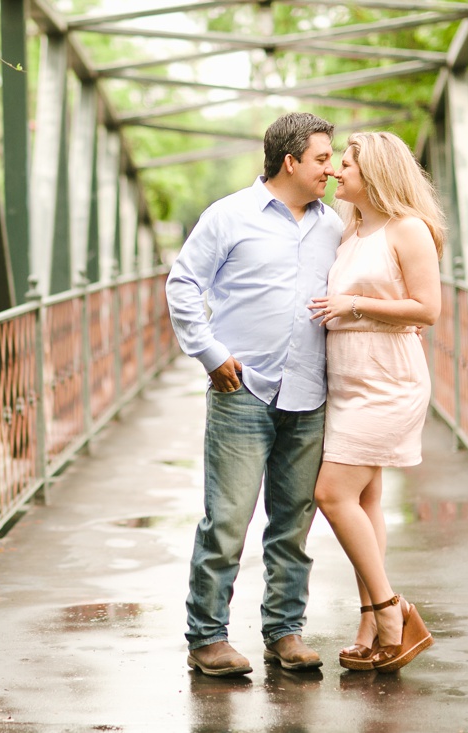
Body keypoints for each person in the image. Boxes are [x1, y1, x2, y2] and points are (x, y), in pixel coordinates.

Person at [166, 112, 342, 677]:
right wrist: (210, 354)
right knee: (227, 522)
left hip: (309, 391)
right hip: (243, 389)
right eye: (321, 159)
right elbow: (184, 283)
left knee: (293, 523)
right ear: (290, 161)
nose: (332, 169)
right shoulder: (228, 216)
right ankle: (206, 638)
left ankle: (284, 632)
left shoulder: (333, 226)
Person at [307, 131, 444, 673]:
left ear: (378, 173)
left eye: (347, 164)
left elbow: (427, 309)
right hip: (348, 380)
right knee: (364, 501)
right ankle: (369, 622)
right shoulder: (352, 230)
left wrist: (354, 303)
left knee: (332, 492)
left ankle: (393, 611)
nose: (338, 172)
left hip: (389, 381)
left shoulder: (407, 229)